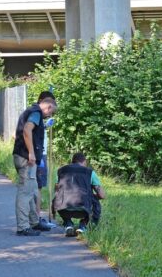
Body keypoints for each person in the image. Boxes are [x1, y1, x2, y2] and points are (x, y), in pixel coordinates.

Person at [13, 95, 57, 236]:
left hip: (22, 156)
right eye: (51, 112)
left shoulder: (31, 111)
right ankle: (23, 227)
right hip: (26, 158)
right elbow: (27, 130)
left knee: (31, 192)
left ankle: (34, 222)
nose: (50, 115)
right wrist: (31, 153)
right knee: (25, 193)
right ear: (48, 107)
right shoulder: (36, 113)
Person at [53, 152, 106, 236]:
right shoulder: (90, 172)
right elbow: (102, 195)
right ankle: (84, 226)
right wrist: (92, 196)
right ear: (84, 161)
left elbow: (56, 189)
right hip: (83, 208)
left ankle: (68, 224)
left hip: (64, 208)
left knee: (58, 196)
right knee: (95, 200)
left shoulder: (61, 170)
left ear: (72, 161)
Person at [34, 91, 56, 227]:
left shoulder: (38, 116)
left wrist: (46, 126)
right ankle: (36, 217)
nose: (50, 112)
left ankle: (35, 217)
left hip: (40, 153)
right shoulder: (35, 114)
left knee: (38, 186)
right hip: (39, 154)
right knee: (38, 186)